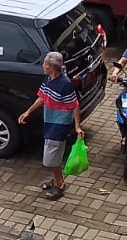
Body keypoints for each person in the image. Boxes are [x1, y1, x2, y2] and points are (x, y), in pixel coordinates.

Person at [18, 51, 84, 201]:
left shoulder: (64, 84)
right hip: (50, 122)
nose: (42, 66)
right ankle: (56, 180)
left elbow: (74, 105)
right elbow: (42, 97)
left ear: (52, 67)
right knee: (52, 156)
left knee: (50, 159)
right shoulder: (49, 79)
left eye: (45, 64)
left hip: (59, 125)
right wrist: (28, 112)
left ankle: (60, 185)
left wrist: (77, 126)